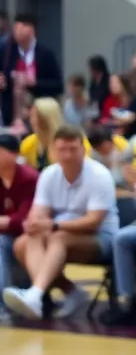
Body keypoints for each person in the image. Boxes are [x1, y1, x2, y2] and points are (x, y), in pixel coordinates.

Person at [2, 125, 119, 320]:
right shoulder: (49, 174)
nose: (67, 155)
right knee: (23, 242)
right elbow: (39, 212)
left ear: (83, 149)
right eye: (62, 150)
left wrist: (52, 225)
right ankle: (70, 292)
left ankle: (36, 294)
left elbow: (93, 222)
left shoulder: (99, 175)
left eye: (73, 149)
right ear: (53, 151)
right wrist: (35, 222)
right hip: (59, 233)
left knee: (59, 238)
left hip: (101, 239)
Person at [0, 132, 38, 296]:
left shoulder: (30, 179)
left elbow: (23, 220)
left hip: (29, 235)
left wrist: (9, 222)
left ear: (15, 154)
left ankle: (1, 303)